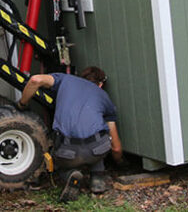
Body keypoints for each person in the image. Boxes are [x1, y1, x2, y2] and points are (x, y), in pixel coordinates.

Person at [17, 66, 123, 202]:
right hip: (96, 151)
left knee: (57, 157)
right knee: (99, 133)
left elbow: (35, 79)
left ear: (79, 77)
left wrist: (21, 104)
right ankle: (97, 179)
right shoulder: (103, 96)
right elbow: (116, 147)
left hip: (68, 152)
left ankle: (70, 175)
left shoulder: (65, 80)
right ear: (101, 84)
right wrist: (120, 163)